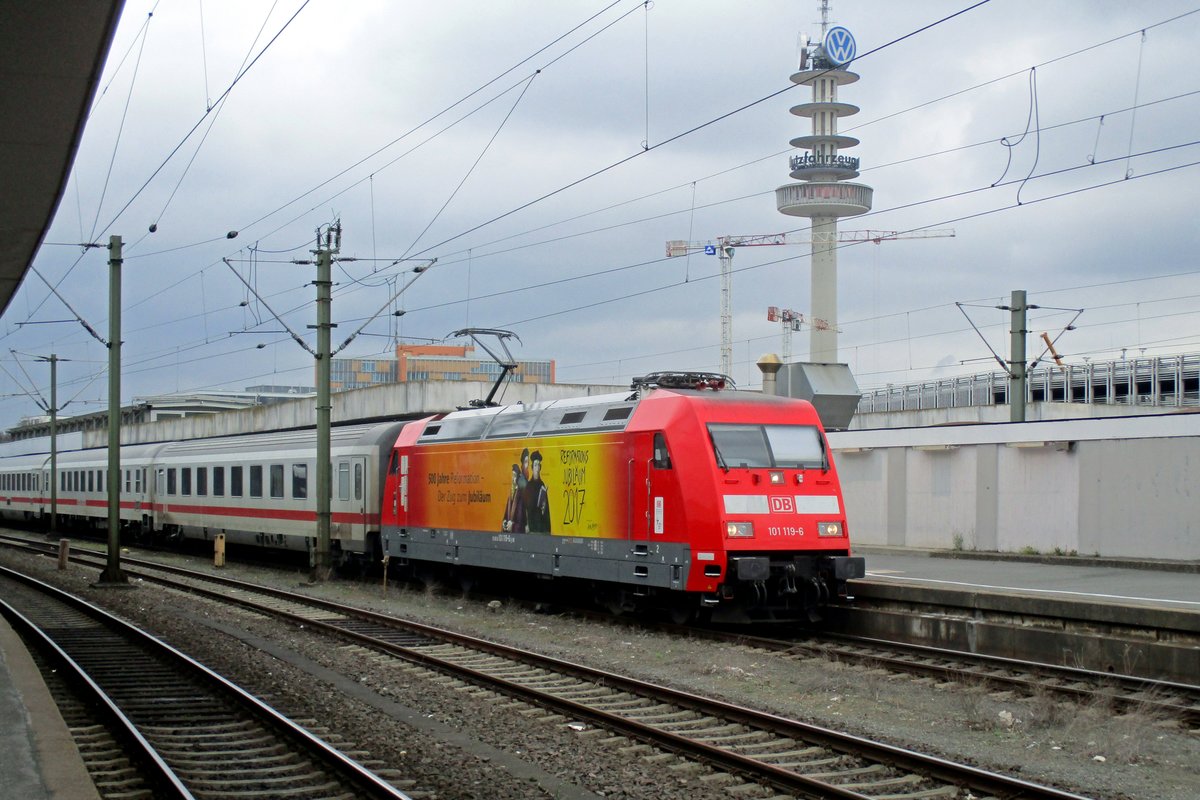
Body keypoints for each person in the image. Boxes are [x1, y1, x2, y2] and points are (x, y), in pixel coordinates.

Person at [524, 450, 551, 533]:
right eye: (535, 465)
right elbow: (525, 508)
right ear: (532, 467)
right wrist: (526, 525)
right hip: (531, 527)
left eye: (539, 465)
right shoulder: (528, 486)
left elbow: (546, 512)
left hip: (541, 527)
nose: (537, 468)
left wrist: (544, 507)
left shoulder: (542, 485)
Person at [501, 464, 524, 532]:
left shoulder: (521, 496)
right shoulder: (510, 494)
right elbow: (505, 515)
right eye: (512, 475)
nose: (513, 478)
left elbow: (522, 523)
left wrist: (513, 526)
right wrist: (504, 522)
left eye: (515, 476)